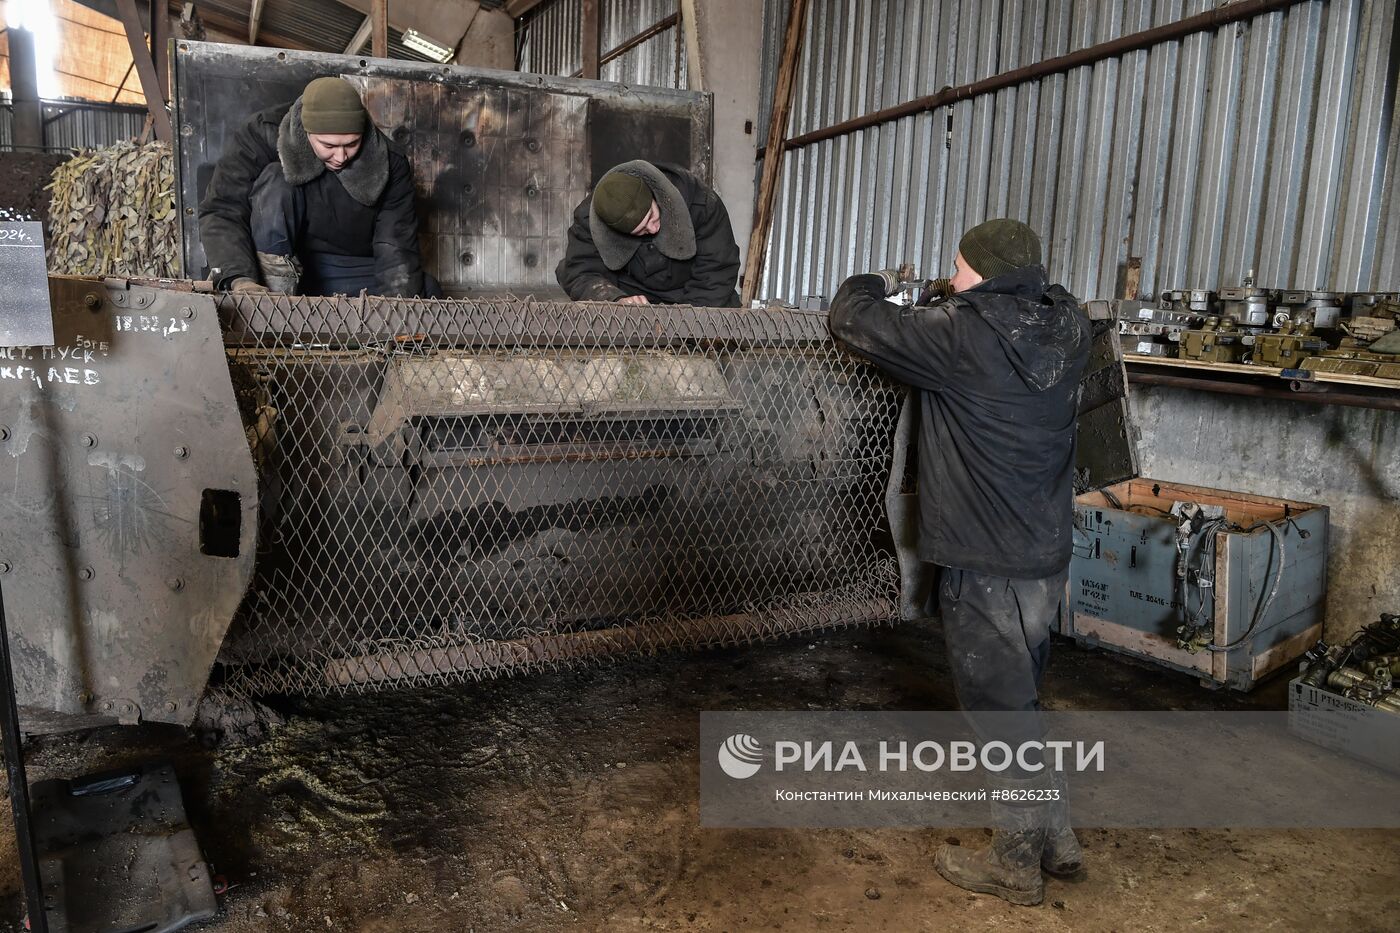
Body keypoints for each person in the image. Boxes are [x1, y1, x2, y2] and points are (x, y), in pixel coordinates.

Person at [827, 219, 1091, 907]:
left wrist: (880, 281)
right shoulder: (1068, 324)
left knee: (998, 712)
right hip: (1043, 555)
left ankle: (1014, 864)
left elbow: (850, 319)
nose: (954, 275)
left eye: (959, 265)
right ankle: (1057, 838)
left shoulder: (960, 334)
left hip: (985, 558)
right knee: (1020, 697)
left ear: (979, 271)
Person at [199, 76, 432, 297]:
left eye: (351, 144)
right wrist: (240, 278)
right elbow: (223, 210)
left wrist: (400, 311)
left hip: (340, 268)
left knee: (426, 289)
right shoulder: (261, 134)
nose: (341, 157)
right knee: (276, 178)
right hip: (265, 270)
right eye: (328, 145)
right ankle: (274, 301)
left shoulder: (389, 161)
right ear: (306, 132)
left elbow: (395, 243)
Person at [556, 160, 740, 307]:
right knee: (568, 271)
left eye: (652, 216)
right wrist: (614, 301)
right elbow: (580, 272)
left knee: (724, 311)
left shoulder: (701, 202)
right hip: (632, 293)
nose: (653, 229)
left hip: (690, 288)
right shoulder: (589, 220)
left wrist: (686, 323)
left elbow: (718, 268)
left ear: (653, 194)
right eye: (641, 230)